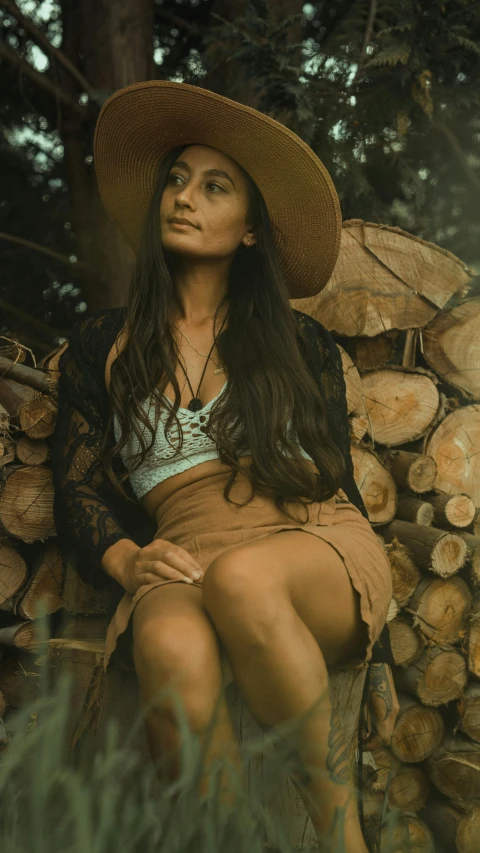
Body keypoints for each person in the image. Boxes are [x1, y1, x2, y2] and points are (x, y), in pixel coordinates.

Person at [50, 80, 399, 852]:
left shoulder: (296, 342)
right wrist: (130, 556)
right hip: (182, 553)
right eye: (176, 179)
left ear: (249, 228)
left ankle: (333, 812)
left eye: (215, 187)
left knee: (244, 577)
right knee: (168, 644)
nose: (184, 197)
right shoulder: (102, 344)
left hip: (307, 539)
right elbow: (73, 485)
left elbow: (330, 473)